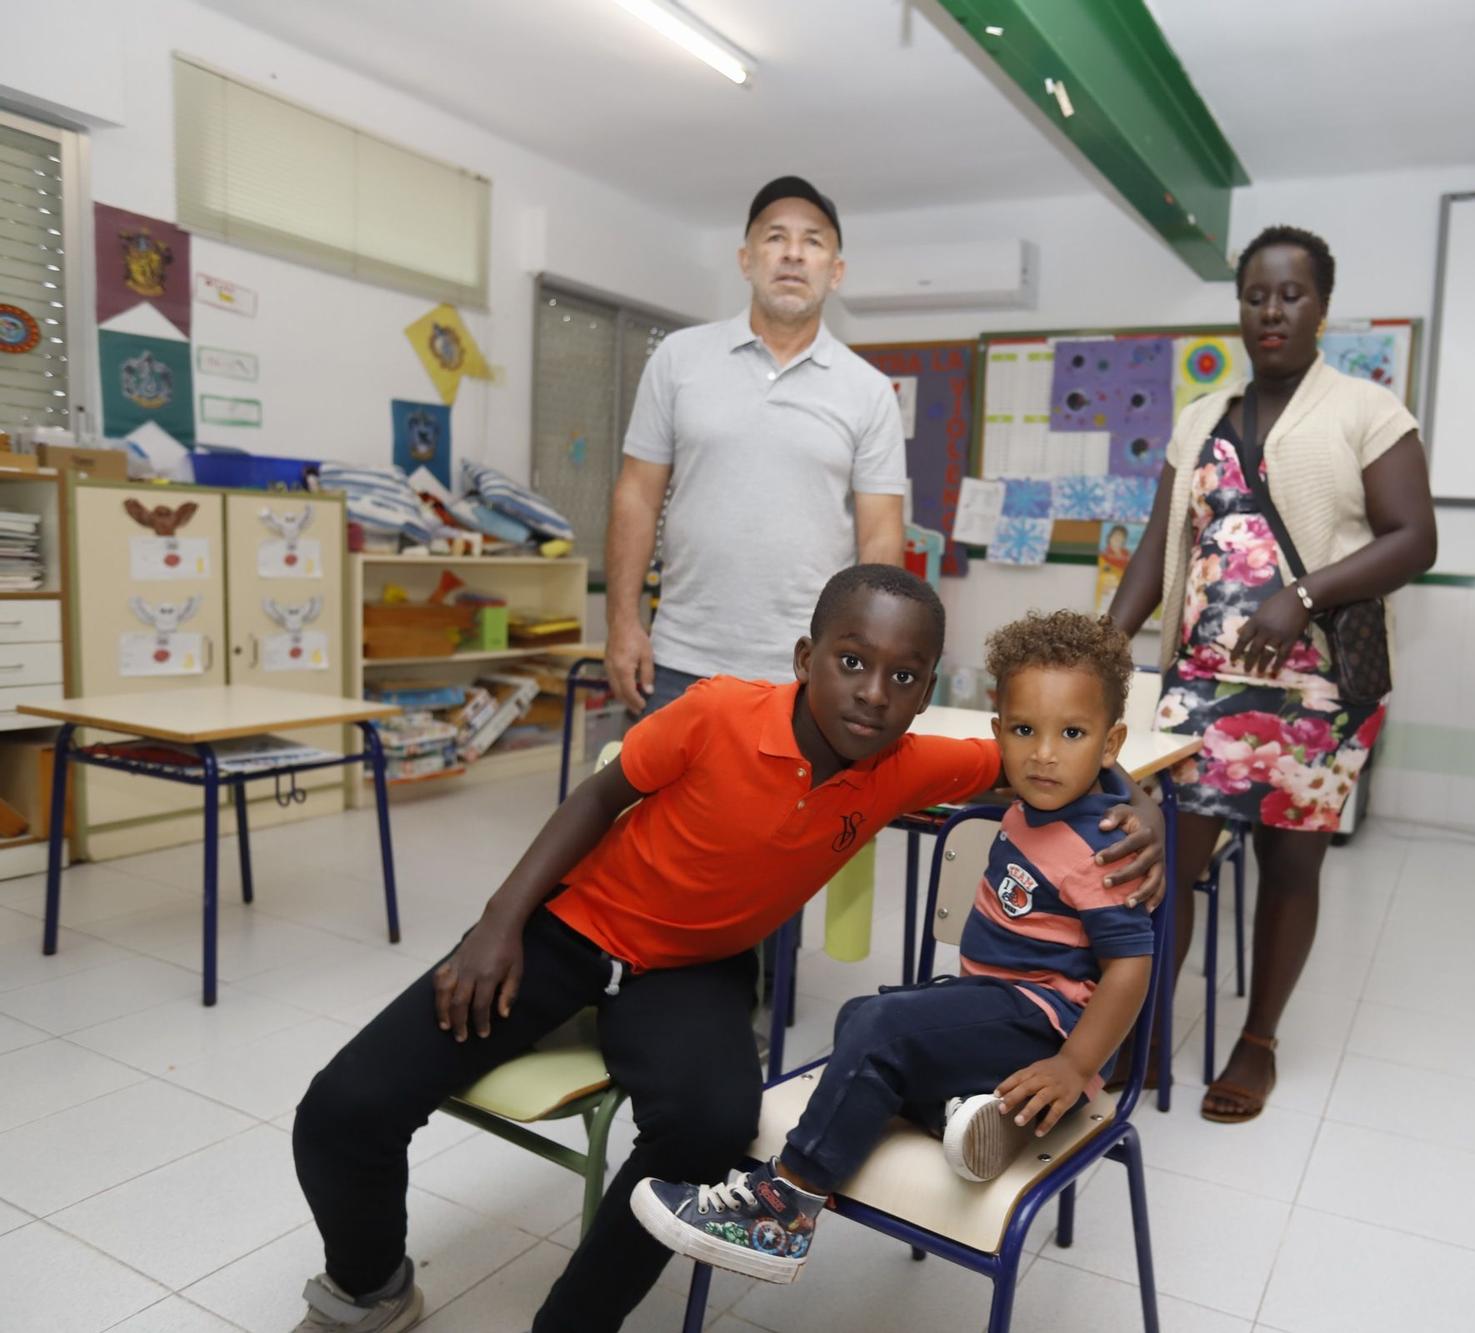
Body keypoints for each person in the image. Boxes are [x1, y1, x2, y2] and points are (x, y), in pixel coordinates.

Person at [288, 568, 1167, 1332]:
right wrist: (498, 922)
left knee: (710, 1123)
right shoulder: (712, 712)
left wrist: (1143, 809)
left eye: (904, 676)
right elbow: (599, 798)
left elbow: (1051, 756)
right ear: (804, 658)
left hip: (696, 968)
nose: (873, 693)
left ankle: (574, 1322)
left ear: (926, 686)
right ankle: (371, 1289)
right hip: (570, 926)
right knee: (342, 1109)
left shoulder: (905, 762)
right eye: (851, 661)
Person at [630, 611, 1154, 1284]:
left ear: (1110, 743)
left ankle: (784, 1205)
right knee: (858, 1020)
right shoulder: (1035, 797)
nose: (1045, 753)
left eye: (1072, 733)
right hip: (998, 1000)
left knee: (879, 1030)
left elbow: (1131, 969)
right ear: (999, 733)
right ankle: (970, 1117)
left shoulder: (1107, 845)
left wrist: (1075, 1062)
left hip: (1046, 1023)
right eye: (1025, 730)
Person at [1108, 224, 1438, 1124]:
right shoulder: (1201, 417)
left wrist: (1303, 593)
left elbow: (1416, 538)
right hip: (1201, 686)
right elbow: (1156, 547)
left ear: (1322, 306)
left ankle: (1258, 1042)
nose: (1271, 310)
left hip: (1318, 691)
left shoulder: (1367, 411)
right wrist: (1107, 641)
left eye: (1291, 294)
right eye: (1256, 294)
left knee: (1291, 865)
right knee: (1166, 863)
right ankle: (1137, 1031)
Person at [603, 175, 909, 717]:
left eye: (813, 241)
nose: (793, 253)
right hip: (677, 660)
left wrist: (862, 657)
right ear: (746, 259)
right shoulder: (678, 358)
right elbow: (636, 496)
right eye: (775, 237)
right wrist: (622, 623)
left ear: (835, 272)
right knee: (663, 805)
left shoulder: (868, 391)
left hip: (808, 668)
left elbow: (881, 534)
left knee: (793, 806)